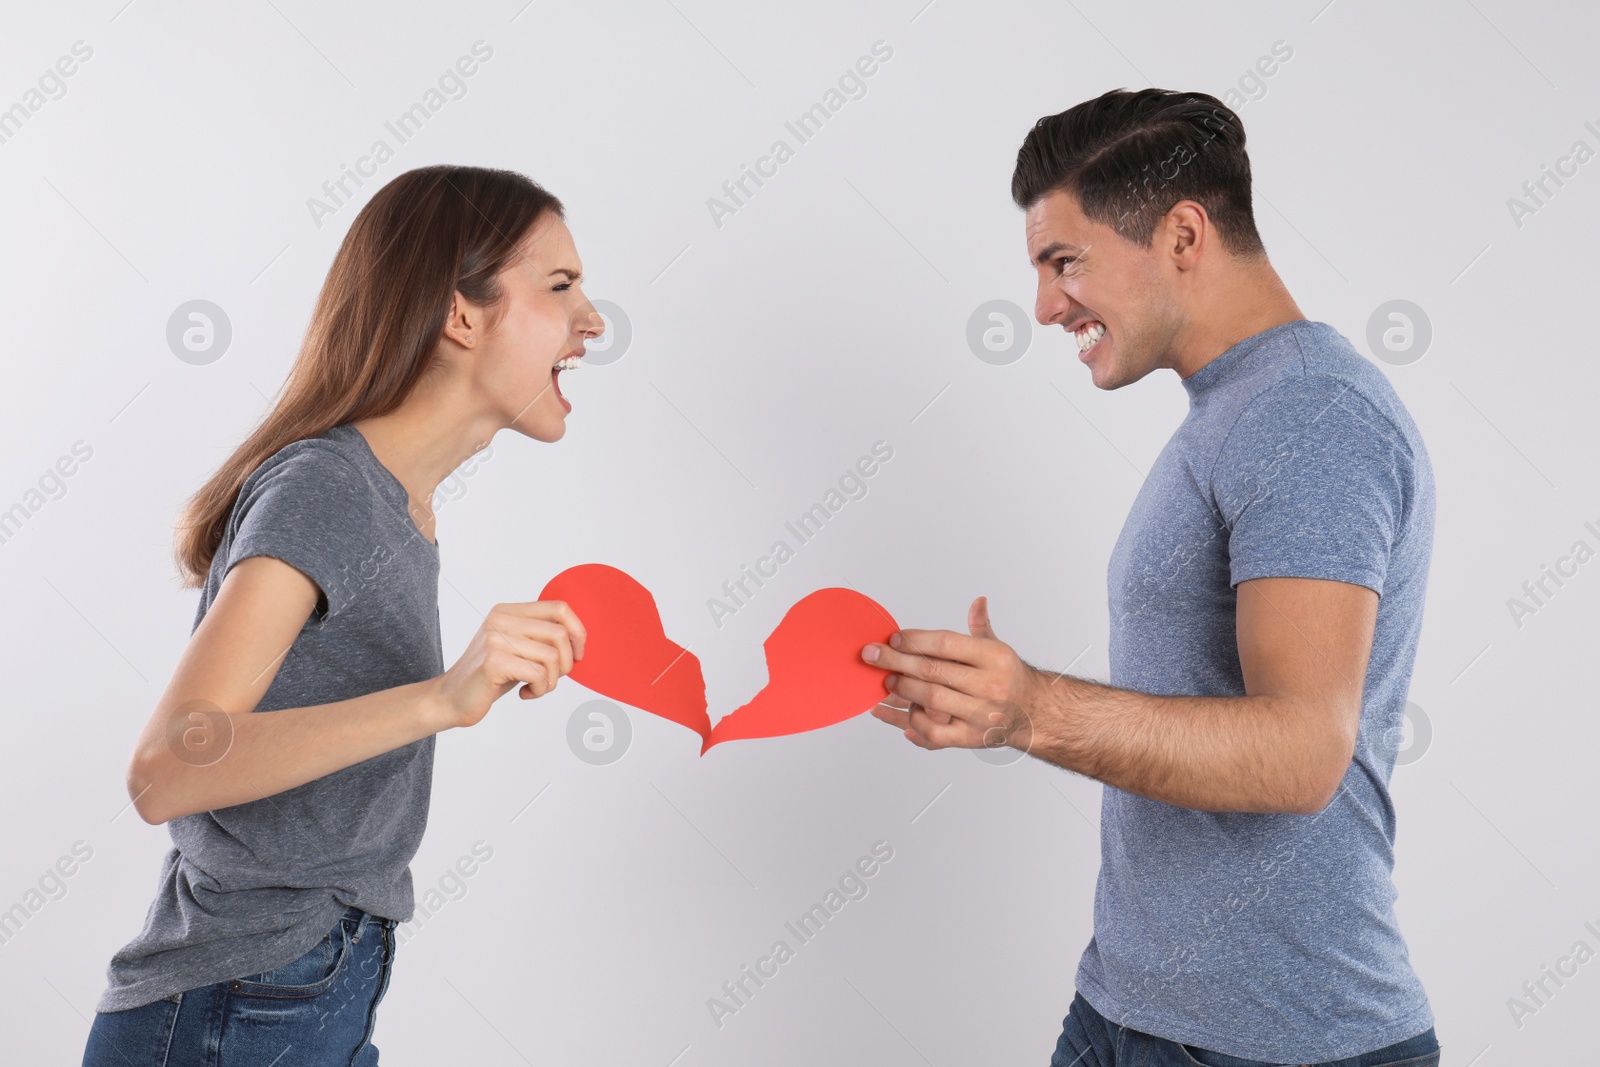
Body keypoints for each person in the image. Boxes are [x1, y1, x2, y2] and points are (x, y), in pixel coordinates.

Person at [862, 89, 1442, 1066]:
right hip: (1126, 1013)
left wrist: (1030, 708)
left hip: (1280, 1044)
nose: (1044, 305)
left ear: (1181, 235)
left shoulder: (1309, 414)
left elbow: (1303, 750)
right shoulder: (1237, 407)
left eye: (1065, 262)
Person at [82, 164, 595, 1066]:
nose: (591, 321)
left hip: (304, 989)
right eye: (560, 287)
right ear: (461, 314)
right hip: (237, 1006)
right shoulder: (331, 487)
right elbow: (167, 767)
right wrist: (443, 697)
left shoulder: (400, 506)